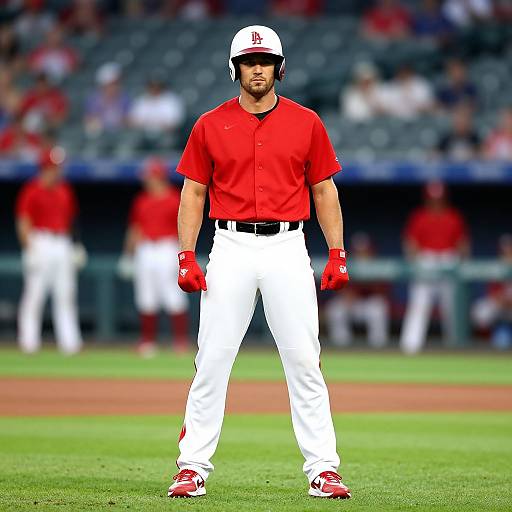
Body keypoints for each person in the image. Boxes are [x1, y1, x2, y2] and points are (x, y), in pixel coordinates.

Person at [167, 25, 351, 500]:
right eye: (250, 61)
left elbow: (324, 190)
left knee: (305, 360)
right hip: (229, 244)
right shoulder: (209, 123)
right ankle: (192, 467)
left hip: (289, 246)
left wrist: (337, 251)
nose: (257, 68)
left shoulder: (307, 121)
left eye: (265, 61)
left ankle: (323, 468)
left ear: (279, 67)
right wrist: (186, 253)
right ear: (235, 68)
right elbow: (193, 192)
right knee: (211, 359)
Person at [119, 157, 190, 356]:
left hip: (168, 248)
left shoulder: (174, 198)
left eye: (151, 176)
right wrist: (128, 255)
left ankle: (180, 342)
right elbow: (136, 229)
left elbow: (184, 226)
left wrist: (184, 251)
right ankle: (148, 342)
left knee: (173, 295)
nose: (147, 180)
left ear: (159, 177)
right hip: (146, 249)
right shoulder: (142, 200)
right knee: (146, 296)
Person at [15, 147, 83, 355]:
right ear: (45, 168)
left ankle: (70, 344)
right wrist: (29, 249)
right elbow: (23, 222)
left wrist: (75, 244)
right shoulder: (31, 190)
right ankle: (29, 342)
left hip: (62, 242)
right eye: (54, 168)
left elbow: (71, 221)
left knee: (66, 294)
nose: (57, 171)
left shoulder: (64, 190)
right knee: (34, 294)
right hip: (40, 242)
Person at [400, 181, 469, 354]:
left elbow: (462, 243)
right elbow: (411, 243)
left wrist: (462, 262)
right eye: (433, 199)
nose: (436, 202)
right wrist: (415, 261)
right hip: (426, 260)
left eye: (439, 199)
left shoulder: (453, 216)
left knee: (452, 305)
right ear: (427, 199)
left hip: (449, 260)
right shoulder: (419, 216)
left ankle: (455, 345)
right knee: (419, 304)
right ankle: (410, 346)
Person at [325, 232, 389, 348]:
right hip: (352, 304)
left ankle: (378, 347)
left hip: (369, 303)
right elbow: (337, 285)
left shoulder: (377, 264)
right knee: (336, 310)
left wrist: (364, 289)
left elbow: (383, 291)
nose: (361, 254)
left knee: (378, 309)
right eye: (358, 251)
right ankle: (341, 346)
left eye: (364, 251)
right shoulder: (346, 264)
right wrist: (346, 294)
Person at [471, 234, 512, 350]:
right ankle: (486, 341)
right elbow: (492, 293)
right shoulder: (497, 265)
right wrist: (501, 299)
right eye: (506, 248)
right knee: (480, 311)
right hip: (502, 305)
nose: (508, 250)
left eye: (510, 247)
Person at [129, 72, 185, 151]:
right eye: (152, 86)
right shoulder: (142, 100)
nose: (155, 88)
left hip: (164, 135)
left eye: (157, 86)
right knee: (132, 141)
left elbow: (174, 124)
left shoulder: (171, 100)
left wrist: (151, 123)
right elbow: (133, 122)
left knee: (168, 142)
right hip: (144, 135)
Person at [84, 62, 131, 136]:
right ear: (104, 84)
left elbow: (128, 121)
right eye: (114, 83)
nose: (117, 86)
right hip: (99, 137)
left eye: (118, 83)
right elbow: (89, 121)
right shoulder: (93, 100)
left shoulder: (125, 99)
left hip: (120, 136)